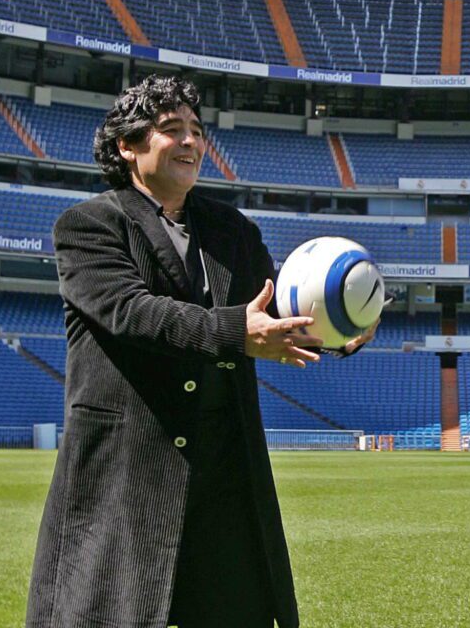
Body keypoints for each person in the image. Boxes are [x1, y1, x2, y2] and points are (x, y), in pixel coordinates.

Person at [26, 75, 375, 628]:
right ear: (128, 146)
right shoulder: (89, 225)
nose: (190, 141)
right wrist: (238, 331)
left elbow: (275, 313)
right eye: (171, 130)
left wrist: (334, 331)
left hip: (224, 482)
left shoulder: (232, 229)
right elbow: (132, 312)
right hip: (127, 478)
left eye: (196, 130)